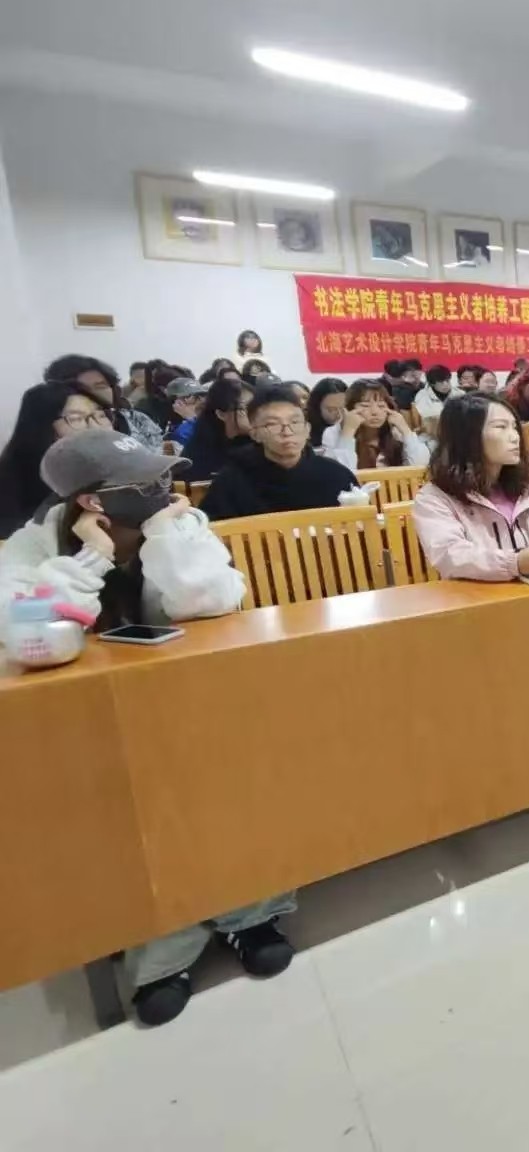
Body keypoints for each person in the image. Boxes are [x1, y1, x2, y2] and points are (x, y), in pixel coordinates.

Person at [0, 428, 259, 1026]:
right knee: (134, 823)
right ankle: (164, 953)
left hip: (191, 701)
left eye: (162, 475)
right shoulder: (32, 546)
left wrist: (166, 534)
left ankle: (251, 915)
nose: (164, 487)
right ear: (93, 501)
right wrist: (90, 560)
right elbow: (29, 636)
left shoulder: (179, 522)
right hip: (90, 723)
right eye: (146, 483)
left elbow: (217, 601)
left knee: (237, 788)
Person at [412, 393, 529, 581]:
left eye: (514, 427)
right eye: (501, 427)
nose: (515, 437)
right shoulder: (435, 497)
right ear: (467, 436)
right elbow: (450, 555)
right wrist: (514, 563)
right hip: (476, 594)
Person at [198, 383, 361, 520]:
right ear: (255, 434)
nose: (287, 431)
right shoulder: (232, 481)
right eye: (273, 424)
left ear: (307, 429)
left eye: (295, 422)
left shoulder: (335, 475)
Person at [0, 381, 113, 535]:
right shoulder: (13, 491)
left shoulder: (124, 473)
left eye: (100, 415)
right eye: (76, 418)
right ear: (42, 428)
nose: (96, 426)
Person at [43, 354, 165, 450]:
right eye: (81, 388)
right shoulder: (55, 428)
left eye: (100, 386)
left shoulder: (138, 420)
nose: (92, 394)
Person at [325, 379, 430, 473]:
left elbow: (420, 467)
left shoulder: (396, 432)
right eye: (365, 406)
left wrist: (405, 430)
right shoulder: (333, 433)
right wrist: (348, 432)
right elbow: (341, 474)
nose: (375, 412)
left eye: (381, 406)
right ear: (349, 409)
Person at [181, 377, 255, 480]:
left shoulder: (256, 443)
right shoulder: (200, 451)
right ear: (221, 414)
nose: (256, 414)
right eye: (247, 408)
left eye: (256, 407)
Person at [412, 364, 460, 435]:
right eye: (441, 382)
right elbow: (428, 417)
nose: (446, 384)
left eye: (447, 381)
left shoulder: (459, 394)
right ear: (432, 384)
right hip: (431, 433)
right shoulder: (422, 396)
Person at [164, 377, 207, 448]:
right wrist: (192, 419)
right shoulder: (181, 432)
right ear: (176, 403)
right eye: (193, 397)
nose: (201, 401)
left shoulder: (212, 419)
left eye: (202, 396)